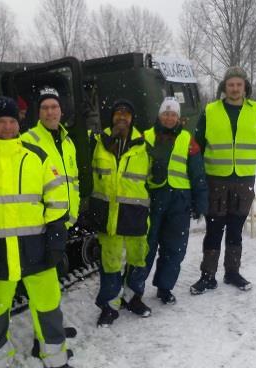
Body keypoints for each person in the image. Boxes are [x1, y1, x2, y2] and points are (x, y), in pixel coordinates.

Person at [0, 96, 72, 368]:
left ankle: (56, 360)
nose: (7, 127)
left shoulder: (37, 157)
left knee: (48, 308)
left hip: (37, 250)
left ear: (18, 123)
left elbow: (56, 202)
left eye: (11, 121)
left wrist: (56, 241)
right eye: (0, 121)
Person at [190, 66, 256, 294]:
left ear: (245, 87)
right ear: (224, 88)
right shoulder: (211, 110)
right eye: (230, 84)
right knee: (214, 230)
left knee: (235, 230)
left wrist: (247, 161)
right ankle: (207, 276)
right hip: (216, 179)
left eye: (239, 84)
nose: (235, 88)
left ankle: (232, 273)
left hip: (244, 180)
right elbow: (198, 142)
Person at [127, 97, 208, 312]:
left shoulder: (187, 139)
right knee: (145, 247)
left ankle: (164, 288)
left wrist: (200, 201)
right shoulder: (145, 137)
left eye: (173, 114)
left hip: (179, 202)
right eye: (166, 113)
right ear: (159, 115)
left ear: (178, 117)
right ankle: (135, 292)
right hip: (151, 200)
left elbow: (197, 173)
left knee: (174, 248)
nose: (169, 118)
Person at [89, 99, 151, 327]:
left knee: (137, 259)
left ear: (132, 118)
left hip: (135, 212)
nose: (122, 117)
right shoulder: (97, 142)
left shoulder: (144, 143)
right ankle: (110, 306)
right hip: (107, 214)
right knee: (111, 262)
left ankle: (134, 298)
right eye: (118, 113)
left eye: (126, 113)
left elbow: (154, 176)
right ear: (112, 117)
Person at [21, 87, 80, 228]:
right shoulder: (27, 141)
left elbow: (74, 181)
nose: (50, 112)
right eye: (45, 108)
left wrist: (74, 212)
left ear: (61, 111)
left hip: (68, 222)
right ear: (39, 113)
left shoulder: (68, 142)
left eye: (54, 107)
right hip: (43, 224)